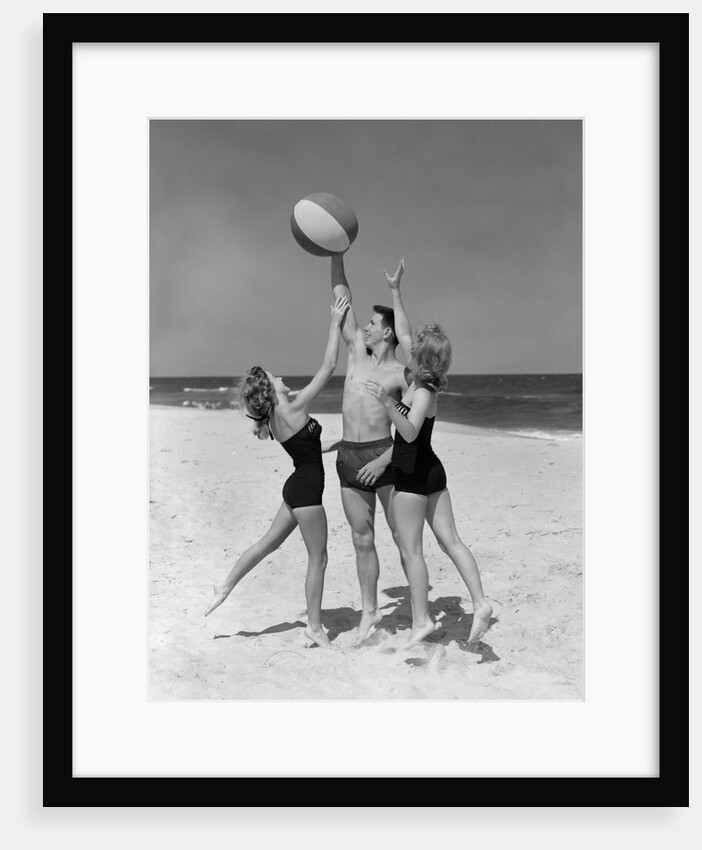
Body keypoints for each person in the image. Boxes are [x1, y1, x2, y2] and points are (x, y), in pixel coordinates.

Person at [204, 296, 350, 649]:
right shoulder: (292, 408)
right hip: (306, 492)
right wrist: (334, 323)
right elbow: (330, 365)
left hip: (297, 487)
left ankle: (224, 585)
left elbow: (313, 448)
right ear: (271, 389)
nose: (281, 376)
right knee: (319, 557)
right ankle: (314, 627)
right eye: (275, 376)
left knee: (266, 545)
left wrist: (348, 443)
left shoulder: (276, 418)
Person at [364, 259, 493, 648]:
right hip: (432, 470)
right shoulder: (423, 379)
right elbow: (401, 330)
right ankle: (481, 603)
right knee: (451, 541)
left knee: (412, 550)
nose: (408, 347)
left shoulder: (421, 391)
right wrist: (395, 290)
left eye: (414, 348)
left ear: (422, 357)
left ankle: (422, 621)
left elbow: (409, 430)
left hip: (413, 474)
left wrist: (388, 404)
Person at [328, 254, 410, 644]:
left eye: (373, 325)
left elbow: (415, 430)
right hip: (348, 457)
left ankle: (421, 614)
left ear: (388, 335)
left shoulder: (399, 376)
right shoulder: (357, 353)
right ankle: (370, 611)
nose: (365, 326)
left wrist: (385, 458)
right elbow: (343, 300)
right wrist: (337, 254)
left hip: (383, 455)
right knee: (362, 540)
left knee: (400, 535)